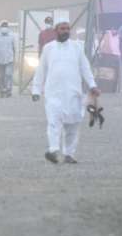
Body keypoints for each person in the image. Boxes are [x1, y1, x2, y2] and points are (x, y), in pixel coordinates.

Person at [32, 19, 100, 164]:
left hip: (73, 92)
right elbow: (41, 70)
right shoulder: (48, 48)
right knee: (53, 122)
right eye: (62, 29)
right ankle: (53, 150)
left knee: (73, 124)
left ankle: (69, 154)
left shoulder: (76, 47)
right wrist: (36, 90)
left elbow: (85, 68)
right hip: (53, 93)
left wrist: (92, 85)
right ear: (56, 31)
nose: (66, 31)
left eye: (68, 29)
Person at [0, 21, 17, 98]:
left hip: (9, 59)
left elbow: (14, 47)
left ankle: (8, 90)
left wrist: (15, 57)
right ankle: (1, 90)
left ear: (8, 28)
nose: (4, 28)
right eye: (3, 27)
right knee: (1, 76)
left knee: (8, 74)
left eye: (5, 27)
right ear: (1, 28)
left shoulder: (12, 36)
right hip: (0, 59)